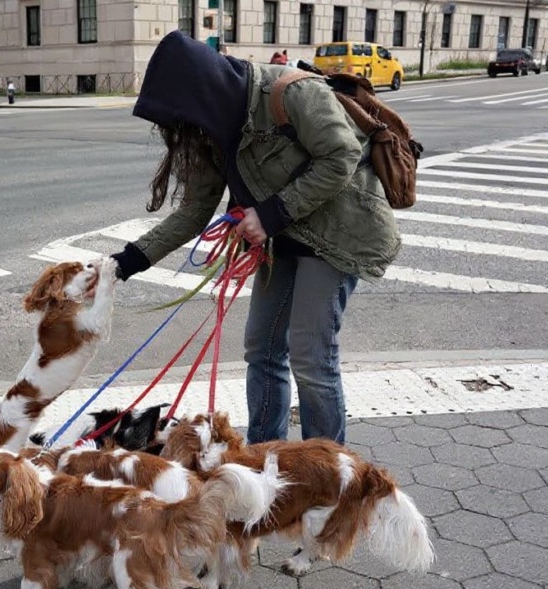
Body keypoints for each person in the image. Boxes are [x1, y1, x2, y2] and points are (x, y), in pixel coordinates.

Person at [109, 30, 400, 446]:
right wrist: (121, 264)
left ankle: (328, 475)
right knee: (261, 350)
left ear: (201, 92)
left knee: (311, 357)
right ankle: (265, 457)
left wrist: (270, 214)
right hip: (281, 239)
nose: (181, 130)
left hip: (339, 234)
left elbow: (341, 157)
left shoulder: (290, 92)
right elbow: (194, 211)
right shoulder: (209, 128)